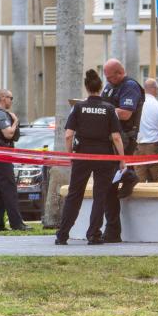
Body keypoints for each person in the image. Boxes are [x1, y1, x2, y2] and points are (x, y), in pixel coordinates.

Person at [55, 70, 125, 245]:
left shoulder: (78, 107)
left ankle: (62, 234)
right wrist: (122, 159)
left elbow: (68, 135)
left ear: (86, 87)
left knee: (74, 194)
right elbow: (116, 137)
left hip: (83, 154)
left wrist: (71, 154)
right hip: (104, 155)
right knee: (99, 195)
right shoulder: (109, 109)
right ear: (100, 87)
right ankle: (94, 234)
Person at [100, 59, 143, 242]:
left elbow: (126, 113)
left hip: (124, 137)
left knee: (110, 184)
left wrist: (103, 110)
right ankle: (128, 174)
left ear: (120, 72)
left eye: (110, 77)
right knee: (108, 186)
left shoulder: (130, 86)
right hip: (110, 138)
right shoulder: (110, 87)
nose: (108, 81)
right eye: (106, 78)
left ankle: (129, 175)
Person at [0, 89, 28, 231]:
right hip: (2, 157)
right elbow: (8, 134)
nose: (11, 100)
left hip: (0, 156)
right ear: (3, 98)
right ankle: (17, 223)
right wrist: (15, 121)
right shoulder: (1, 114)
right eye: (10, 98)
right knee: (9, 189)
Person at [135, 78, 158, 183]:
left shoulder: (137, 104)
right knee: (156, 179)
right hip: (154, 145)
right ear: (154, 89)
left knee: (139, 180)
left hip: (138, 145)